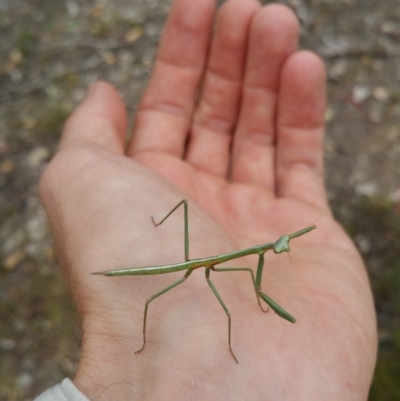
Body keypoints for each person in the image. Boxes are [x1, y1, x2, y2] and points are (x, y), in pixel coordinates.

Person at [35, 0, 377, 399]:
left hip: (199, 267)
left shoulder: (254, 264)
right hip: (179, 266)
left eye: (282, 244)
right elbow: (248, 281)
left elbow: (255, 279)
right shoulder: (249, 260)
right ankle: (146, 340)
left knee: (246, 281)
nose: (280, 247)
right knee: (175, 302)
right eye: (281, 243)